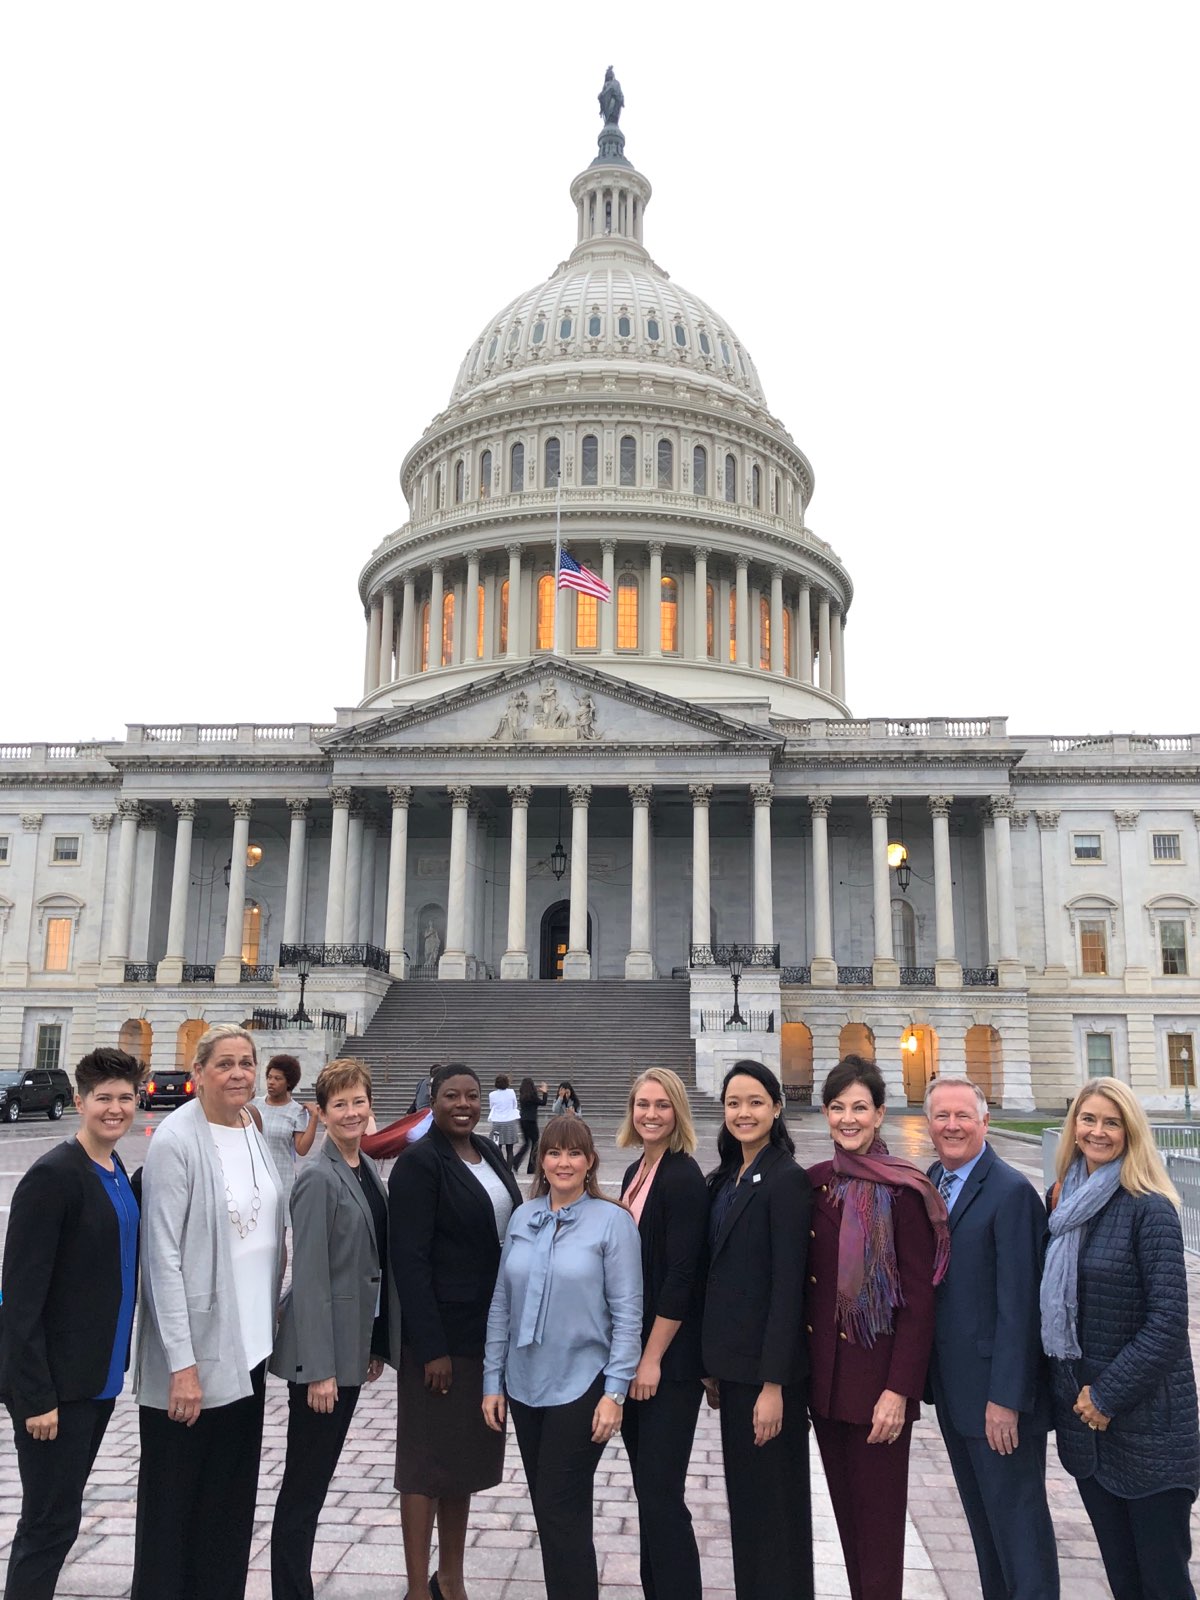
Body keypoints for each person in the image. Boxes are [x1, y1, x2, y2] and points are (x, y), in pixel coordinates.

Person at [130, 1023, 284, 1600]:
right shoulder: (176, 1139)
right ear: (198, 1072)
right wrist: (182, 1364)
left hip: (246, 1345)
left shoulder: (253, 1125)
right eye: (225, 1064)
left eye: (247, 1062)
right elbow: (161, 1257)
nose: (239, 1073)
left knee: (229, 1497)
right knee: (175, 1502)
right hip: (192, 1353)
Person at [1042, 1077, 1199, 1600]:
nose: (1098, 1131)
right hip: (1090, 1433)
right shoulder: (1063, 1204)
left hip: (1149, 1429)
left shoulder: (1149, 1207)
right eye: (1088, 1119)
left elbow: (1168, 1322)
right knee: (1124, 1581)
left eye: (1112, 1122)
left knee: (1163, 1583)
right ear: (1074, 1126)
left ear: (1131, 1131)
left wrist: (1106, 1397)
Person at [0, 1047, 141, 1600]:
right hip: (54, 1389)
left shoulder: (113, 1166)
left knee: (60, 1516)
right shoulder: (53, 1177)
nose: (115, 1108)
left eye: (125, 1098)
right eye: (103, 1098)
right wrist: (34, 1397)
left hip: (96, 1379)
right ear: (80, 1101)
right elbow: (19, 1299)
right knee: (48, 1522)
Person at [806, 1056, 948, 1600]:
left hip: (878, 1389)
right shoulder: (816, 1184)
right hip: (828, 1387)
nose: (848, 1118)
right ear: (825, 1113)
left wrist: (899, 1392)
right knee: (848, 1526)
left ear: (880, 1113)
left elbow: (918, 1305)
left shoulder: (906, 1193)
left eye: (859, 1108)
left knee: (881, 1531)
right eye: (838, 1108)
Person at [483, 1114, 642, 1600]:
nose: (563, 1162)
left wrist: (615, 1392)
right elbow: (501, 1304)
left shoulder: (612, 1221)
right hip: (526, 1383)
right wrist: (493, 1380)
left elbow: (628, 1312)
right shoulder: (523, 1217)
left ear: (591, 1161)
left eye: (574, 1153)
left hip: (583, 1383)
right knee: (551, 1508)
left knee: (559, 1505)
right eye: (554, 1152)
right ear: (542, 1160)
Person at [389, 1063, 523, 1600]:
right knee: (425, 1464)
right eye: (451, 1096)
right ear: (433, 1100)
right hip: (439, 1340)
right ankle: (418, 1588)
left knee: (462, 1461)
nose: (463, 1104)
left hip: (482, 1333)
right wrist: (431, 1347)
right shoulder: (420, 1163)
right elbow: (410, 1261)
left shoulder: (487, 1150)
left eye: (471, 1095)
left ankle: (451, 1578)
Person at [270, 1059, 401, 1600]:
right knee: (304, 1485)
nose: (352, 1112)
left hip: (350, 1346)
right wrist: (321, 1370)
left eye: (359, 1102)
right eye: (340, 1104)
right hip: (318, 1359)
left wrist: (373, 1345)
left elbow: (368, 1263)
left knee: (316, 1482)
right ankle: (290, 1590)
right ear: (320, 1114)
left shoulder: (363, 1166)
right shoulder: (320, 1178)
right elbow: (313, 1280)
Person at [924, 1076, 1058, 1600]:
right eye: (941, 1117)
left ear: (984, 1121)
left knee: (1019, 1530)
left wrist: (1007, 1399)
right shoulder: (936, 1177)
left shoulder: (1010, 1192)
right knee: (985, 1531)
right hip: (956, 1392)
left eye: (963, 1116)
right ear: (928, 1123)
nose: (951, 1126)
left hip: (996, 1400)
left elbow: (1022, 1308)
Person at [701, 1060, 813, 1600]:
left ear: (776, 1107)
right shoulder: (727, 1176)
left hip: (768, 1379)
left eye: (753, 1102)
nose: (742, 1113)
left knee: (775, 1513)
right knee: (747, 1507)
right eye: (733, 1104)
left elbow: (788, 1288)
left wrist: (773, 1386)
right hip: (734, 1369)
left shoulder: (786, 1179)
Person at [617, 1068, 708, 1600]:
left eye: (661, 1105)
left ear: (678, 1112)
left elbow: (681, 1275)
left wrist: (650, 1358)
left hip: (666, 1365)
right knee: (650, 1494)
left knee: (662, 1495)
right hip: (637, 1356)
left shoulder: (681, 1176)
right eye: (642, 1104)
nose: (650, 1114)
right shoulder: (639, 1167)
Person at [253, 1053, 318, 1215]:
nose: (271, 1082)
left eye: (278, 1078)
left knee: (277, 1234)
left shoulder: (297, 1111)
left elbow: (301, 1149)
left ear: (289, 1082)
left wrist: (314, 1118)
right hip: (254, 1177)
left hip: (281, 1179)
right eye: (269, 1077)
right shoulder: (254, 1105)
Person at [514, 1076, 548, 1174]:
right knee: (535, 1144)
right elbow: (543, 1102)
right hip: (531, 1121)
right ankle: (531, 1167)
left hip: (523, 1120)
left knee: (526, 1143)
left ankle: (516, 1162)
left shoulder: (523, 1096)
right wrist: (544, 1092)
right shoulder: (532, 1096)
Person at [487, 1073, 520, 1170]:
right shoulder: (511, 1092)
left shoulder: (492, 1095)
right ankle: (509, 1171)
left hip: (497, 1124)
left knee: (497, 1147)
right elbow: (515, 1105)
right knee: (510, 1150)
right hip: (510, 1123)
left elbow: (491, 1107)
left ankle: (499, 1168)